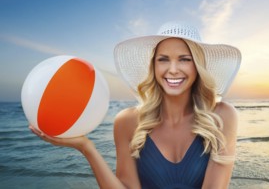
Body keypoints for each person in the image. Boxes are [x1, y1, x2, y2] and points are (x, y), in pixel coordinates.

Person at [30, 21, 242, 188]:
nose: (173, 69)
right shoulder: (127, 121)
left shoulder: (222, 117)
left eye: (185, 59)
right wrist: (87, 148)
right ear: (153, 66)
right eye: (163, 59)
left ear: (198, 67)